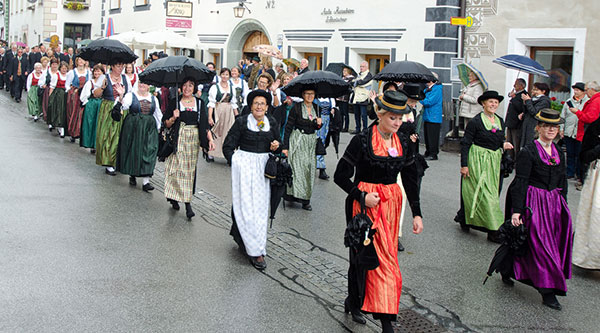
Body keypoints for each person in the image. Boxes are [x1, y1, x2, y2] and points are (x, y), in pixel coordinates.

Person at [334, 90, 423, 333]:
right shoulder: (362, 140)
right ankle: (354, 301)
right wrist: (361, 195)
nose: (397, 123)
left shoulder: (403, 142)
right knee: (362, 259)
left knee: (387, 260)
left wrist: (417, 213)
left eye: (400, 118)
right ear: (380, 114)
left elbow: (410, 177)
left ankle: (386, 321)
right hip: (363, 208)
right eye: (393, 117)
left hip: (391, 207)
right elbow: (340, 176)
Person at [506, 108, 572, 311]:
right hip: (534, 201)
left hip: (554, 202)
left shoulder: (559, 151)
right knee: (542, 246)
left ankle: (505, 266)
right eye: (547, 126)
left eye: (554, 127)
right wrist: (517, 211)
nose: (551, 130)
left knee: (547, 241)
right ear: (539, 128)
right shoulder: (529, 151)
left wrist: (564, 203)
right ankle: (548, 291)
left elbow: (562, 179)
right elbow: (521, 181)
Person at [223, 90, 282, 270]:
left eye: (262, 104)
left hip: (262, 172)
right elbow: (228, 146)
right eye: (256, 103)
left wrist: (276, 146)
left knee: (260, 209)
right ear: (251, 106)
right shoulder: (242, 122)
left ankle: (257, 246)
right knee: (245, 207)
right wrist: (238, 162)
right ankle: (252, 249)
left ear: (267, 107)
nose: (259, 107)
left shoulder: (271, 122)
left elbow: (279, 144)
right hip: (245, 169)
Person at [457, 91, 514, 242]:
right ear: (483, 104)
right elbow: (466, 143)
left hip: (494, 162)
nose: (493, 105)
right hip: (477, 161)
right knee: (483, 194)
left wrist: (503, 144)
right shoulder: (476, 122)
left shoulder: (500, 121)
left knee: (493, 194)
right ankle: (493, 230)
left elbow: (497, 139)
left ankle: (468, 218)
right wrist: (464, 165)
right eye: (490, 102)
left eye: (496, 102)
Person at [163, 78, 214, 219]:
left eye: (190, 85)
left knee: (188, 170)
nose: (187, 88)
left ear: (194, 87)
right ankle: (174, 197)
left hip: (193, 139)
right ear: (180, 87)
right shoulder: (175, 102)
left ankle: (187, 203)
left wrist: (209, 140)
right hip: (178, 138)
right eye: (184, 85)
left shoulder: (199, 102)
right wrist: (173, 118)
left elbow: (204, 125)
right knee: (176, 168)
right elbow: (166, 123)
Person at [114, 81, 162, 192]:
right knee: (134, 151)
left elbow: (157, 114)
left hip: (149, 128)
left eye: (145, 83)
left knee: (149, 151)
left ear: (149, 86)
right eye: (141, 83)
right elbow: (123, 107)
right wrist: (121, 96)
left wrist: (160, 128)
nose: (142, 85)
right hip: (133, 127)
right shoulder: (131, 95)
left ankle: (146, 182)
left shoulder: (153, 98)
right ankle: (133, 174)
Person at [282, 88, 322, 211]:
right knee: (297, 169)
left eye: (312, 93)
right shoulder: (297, 108)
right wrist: (285, 147)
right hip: (298, 141)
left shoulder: (317, 108)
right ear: (303, 94)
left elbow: (316, 127)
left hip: (310, 143)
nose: (310, 96)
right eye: (307, 93)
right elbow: (288, 127)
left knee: (309, 170)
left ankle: (306, 199)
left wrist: (319, 124)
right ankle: (293, 195)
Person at [573, 111, 600, 270]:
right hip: (597, 179)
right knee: (595, 215)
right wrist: (598, 150)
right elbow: (584, 156)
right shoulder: (596, 127)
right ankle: (591, 258)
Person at [96, 62, 132, 176]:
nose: (121, 68)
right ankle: (108, 162)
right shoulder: (104, 77)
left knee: (119, 134)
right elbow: (96, 94)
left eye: (122, 66)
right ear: (112, 66)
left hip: (121, 108)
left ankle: (116, 160)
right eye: (118, 66)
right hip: (108, 108)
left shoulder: (125, 78)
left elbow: (130, 94)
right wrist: (102, 87)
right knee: (107, 134)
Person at [560, 82, 589, 180]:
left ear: (583, 92)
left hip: (580, 133)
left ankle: (578, 173)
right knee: (569, 153)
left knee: (579, 154)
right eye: (575, 90)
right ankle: (569, 172)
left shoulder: (587, 102)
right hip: (569, 131)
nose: (575, 92)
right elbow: (562, 116)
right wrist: (561, 129)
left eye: (578, 90)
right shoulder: (569, 101)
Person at [208, 67, 237, 161]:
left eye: (226, 74)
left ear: (229, 76)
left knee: (229, 132)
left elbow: (233, 103)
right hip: (218, 110)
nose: (224, 76)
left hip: (228, 112)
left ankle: (229, 154)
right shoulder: (215, 87)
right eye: (223, 74)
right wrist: (210, 117)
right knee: (217, 131)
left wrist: (237, 116)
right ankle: (212, 152)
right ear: (220, 75)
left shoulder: (232, 88)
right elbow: (211, 103)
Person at [79, 64, 106, 154]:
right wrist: (87, 103)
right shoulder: (90, 82)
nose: (96, 73)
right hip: (92, 104)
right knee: (90, 124)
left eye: (99, 71)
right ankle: (90, 144)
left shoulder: (105, 83)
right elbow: (83, 96)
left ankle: (97, 144)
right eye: (95, 71)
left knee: (99, 124)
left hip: (101, 104)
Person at [65, 56, 90, 142]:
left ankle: (80, 132)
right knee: (74, 113)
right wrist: (71, 92)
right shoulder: (73, 72)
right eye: (79, 60)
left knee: (82, 113)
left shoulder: (88, 72)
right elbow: (67, 84)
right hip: (75, 94)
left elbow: (90, 83)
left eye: (82, 59)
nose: (80, 61)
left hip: (84, 94)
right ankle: (72, 132)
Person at [521, 82, 551, 147]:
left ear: (543, 91)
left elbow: (534, 112)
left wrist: (528, 101)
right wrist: (525, 102)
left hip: (535, 125)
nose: (533, 91)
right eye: (533, 89)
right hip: (527, 124)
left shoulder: (544, 101)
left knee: (532, 145)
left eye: (536, 90)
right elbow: (527, 110)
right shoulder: (533, 99)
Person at [505, 79, 527, 159]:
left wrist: (513, 98)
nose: (514, 86)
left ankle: (516, 160)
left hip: (517, 124)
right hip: (510, 122)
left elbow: (520, 108)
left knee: (515, 143)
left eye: (516, 85)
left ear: (521, 86)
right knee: (509, 142)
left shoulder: (524, 95)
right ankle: (509, 159)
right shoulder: (516, 94)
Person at [316, 96, 336, 180]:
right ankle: (321, 168)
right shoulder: (315, 98)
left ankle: (321, 167)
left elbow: (334, 109)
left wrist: (333, 110)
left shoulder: (331, 99)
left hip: (327, 121)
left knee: (322, 144)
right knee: (317, 143)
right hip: (316, 120)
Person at [47, 61, 69, 138]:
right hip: (58, 94)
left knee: (64, 111)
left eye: (65, 68)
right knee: (58, 110)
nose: (64, 70)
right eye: (63, 68)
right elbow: (52, 87)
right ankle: (58, 125)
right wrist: (50, 96)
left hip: (66, 94)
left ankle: (62, 126)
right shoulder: (56, 75)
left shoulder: (68, 76)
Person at [350, 61, 373, 134]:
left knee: (364, 115)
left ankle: (365, 129)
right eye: (360, 66)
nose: (361, 68)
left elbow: (362, 83)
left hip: (364, 98)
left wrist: (356, 83)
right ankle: (357, 129)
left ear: (367, 67)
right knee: (356, 115)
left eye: (362, 66)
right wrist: (356, 82)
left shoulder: (369, 75)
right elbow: (352, 82)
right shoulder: (358, 75)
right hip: (356, 97)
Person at [336, 67, 354, 132]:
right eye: (343, 71)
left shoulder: (351, 78)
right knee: (341, 113)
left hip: (345, 98)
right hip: (340, 97)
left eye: (345, 71)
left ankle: (346, 127)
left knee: (346, 113)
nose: (344, 72)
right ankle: (340, 126)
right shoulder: (342, 78)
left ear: (348, 72)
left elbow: (348, 86)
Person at [41, 57, 58, 125]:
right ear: (51, 65)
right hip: (48, 90)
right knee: (48, 104)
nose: (54, 66)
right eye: (53, 64)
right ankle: (48, 118)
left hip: (57, 91)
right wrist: (43, 85)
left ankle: (54, 119)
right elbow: (41, 81)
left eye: (56, 64)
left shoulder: (58, 72)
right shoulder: (46, 72)